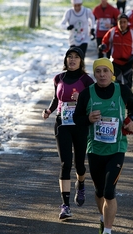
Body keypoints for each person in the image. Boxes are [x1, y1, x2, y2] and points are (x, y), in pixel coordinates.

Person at [73, 57, 133, 234]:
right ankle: (103, 219)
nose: (102, 74)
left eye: (105, 71)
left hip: (117, 148)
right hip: (94, 148)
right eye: (98, 71)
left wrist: (131, 120)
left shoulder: (121, 90)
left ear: (112, 73)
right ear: (94, 74)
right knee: (100, 190)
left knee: (110, 191)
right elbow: (77, 118)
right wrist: (87, 119)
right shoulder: (87, 94)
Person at [42, 47, 94, 219]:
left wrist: (83, 99)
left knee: (79, 164)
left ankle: (81, 182)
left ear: (81, 61)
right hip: (62, 124)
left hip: (79, 125)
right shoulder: (59, 78)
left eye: (76, 57)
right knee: (65, 163)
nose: (72, 60)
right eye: (69, 57)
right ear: (65, 60)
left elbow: (94, 101)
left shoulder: (86, 80)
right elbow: (56, 98)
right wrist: (49, 110)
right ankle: (65, 205)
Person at [99, 13, 133, 90]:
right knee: (116, 86)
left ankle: (127, 101)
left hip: (128, 63)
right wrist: (103, 47)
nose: (122, 24)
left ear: (127, 23)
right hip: (115, 63)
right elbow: (105, 43)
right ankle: (116, 101)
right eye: (120, 22)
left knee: (127, 87)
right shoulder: (112, 32)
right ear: (117, 22)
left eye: (124, 22)